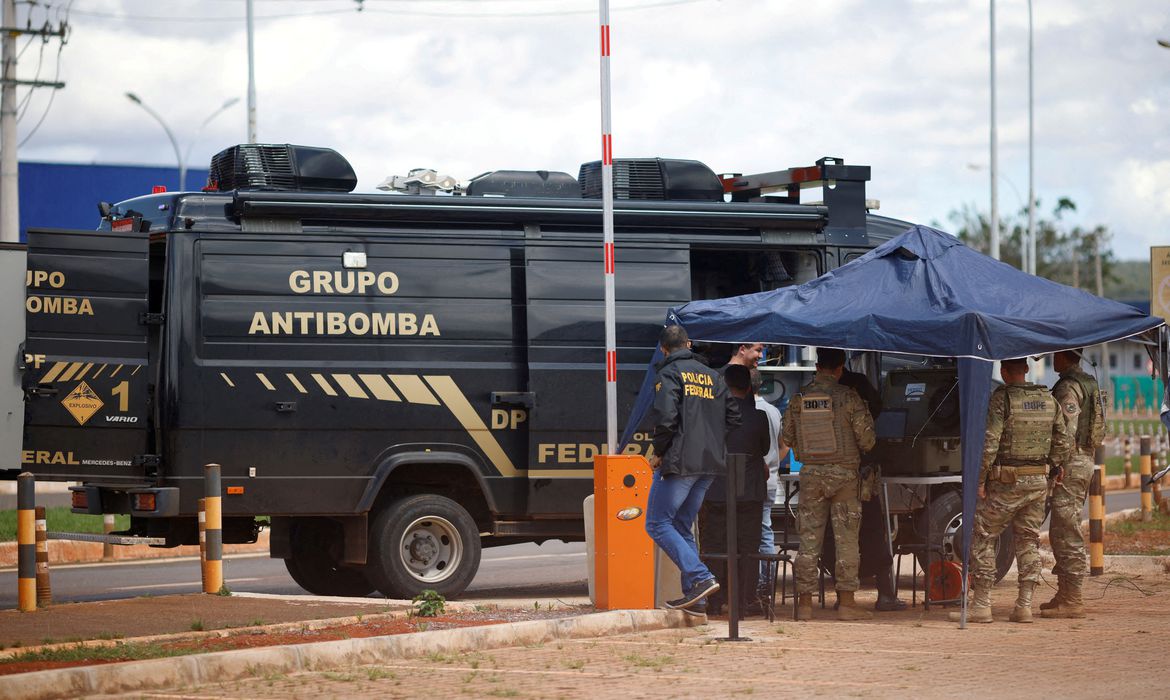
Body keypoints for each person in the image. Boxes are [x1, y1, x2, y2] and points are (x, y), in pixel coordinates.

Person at [952, 357, 1072, 624]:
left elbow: (990, 443)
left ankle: (982, 605)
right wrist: (1052, 467)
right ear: (1026, 369)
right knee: (1028, 540)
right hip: (1038, 483)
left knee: (982, 535)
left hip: (1005, 483)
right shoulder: (1048, 400)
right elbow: (1063, 442)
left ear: (1005, 372)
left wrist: (979, 480)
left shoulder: (1002, 399)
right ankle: (1024, 605)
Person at [646, 325, 741, 611]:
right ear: (688, 344)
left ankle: (700, 577)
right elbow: (734, 418)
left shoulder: (668, 374)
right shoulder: (714, 376)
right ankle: (695, 599)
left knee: (656, 523)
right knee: (681, 525)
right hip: (710, 463)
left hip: (681, 461)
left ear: (664, 349)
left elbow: (666, 418)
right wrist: (709, 440)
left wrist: (659, 452)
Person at [782, 347, 876, 621]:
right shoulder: (848, 397)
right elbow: (867, 440)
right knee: (846, 540)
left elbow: (788, 436)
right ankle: (846, 604)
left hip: (811, 476)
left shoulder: (800, 399)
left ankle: (805, 605)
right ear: (840, 368)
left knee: (808, 541)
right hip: (845, 476)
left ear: (817, 366)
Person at [825, 362, 907, 612]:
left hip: (828, 474)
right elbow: (873, 425)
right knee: (872, 531)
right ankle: (885, 595)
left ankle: (843, 596)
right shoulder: (858, 384)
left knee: (836, 536)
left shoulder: (815, 391)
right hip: (861, 474)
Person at [698, 364, 771, 615]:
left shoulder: (711, 416)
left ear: (723, 387)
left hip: (716, 490)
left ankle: (715, 600)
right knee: (748, 547)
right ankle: (744, 600)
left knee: (716, 545)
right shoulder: (758, 417)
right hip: (750, 491)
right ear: (749, 387)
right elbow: (763, 449)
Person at [1041, 349, 1105, 618]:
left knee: (1066, 529)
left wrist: (1056, 464)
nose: (1052, 359)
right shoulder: (1089, 381)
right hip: (1083, 458)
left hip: (1072, 462)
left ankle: (1073, 598)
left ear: (1065, 356)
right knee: (1061, 528)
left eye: (1056, 354)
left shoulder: (1069, 387)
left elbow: (1066, 430)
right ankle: (1065, 593)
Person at [751, 369, 789, 593]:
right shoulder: (774, 410)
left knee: (756, 531)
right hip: (771, 479)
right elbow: (785, 445)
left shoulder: (750, 410)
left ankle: (761, 583)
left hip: (753, 479)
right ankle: (766, 582)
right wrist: (773, 462)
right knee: (765, 529)